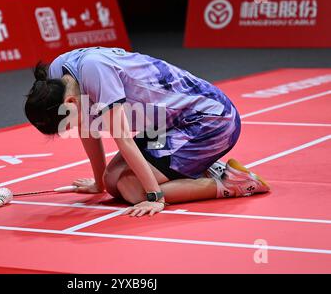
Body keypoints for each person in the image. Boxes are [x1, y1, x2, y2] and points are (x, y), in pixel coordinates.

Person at [24, 47, 270, 217]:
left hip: (210, 122)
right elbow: (88, 128)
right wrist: (98, 183)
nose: (73, 127)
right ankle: (204, 166)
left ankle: (234, 184)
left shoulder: (95, 72)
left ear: (69, 103)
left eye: (67, 123)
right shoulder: (58, 76)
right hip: (170, 123)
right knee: (112, 182)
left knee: (134, 188)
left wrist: (155, 196)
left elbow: (124, 140)